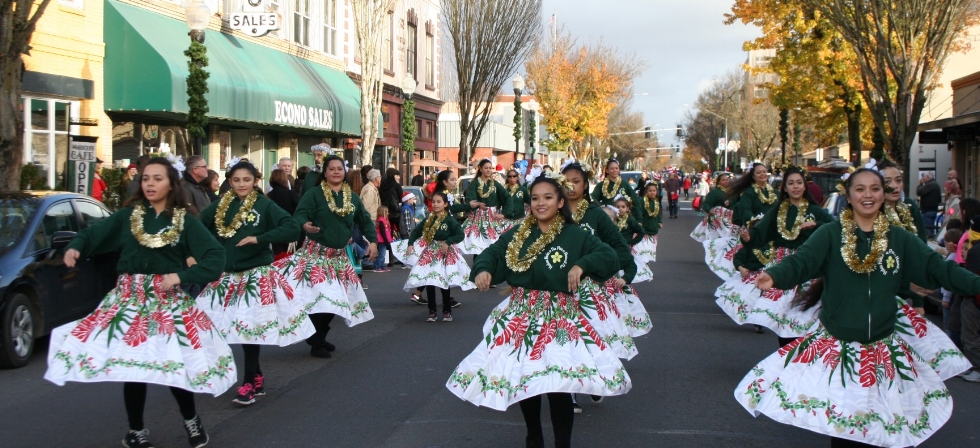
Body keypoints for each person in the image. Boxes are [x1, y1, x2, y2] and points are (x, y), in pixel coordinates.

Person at [742, 168, 978, 447]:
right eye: (860, 189)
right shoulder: (830, 234)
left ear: (883, 194)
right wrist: (775, 276)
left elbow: (939, 269)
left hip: (882, 350)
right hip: (841, 352)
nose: (868, 195)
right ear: (849, 196)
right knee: (847, 433)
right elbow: (802, 261)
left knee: (884, 431)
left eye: (875, 189)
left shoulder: (899, 239)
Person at [44, 157, 231, 448]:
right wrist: (76, 247)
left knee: (172, 365)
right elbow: (94, 234)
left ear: (171, 183)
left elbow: (215, 258)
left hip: (166, 301)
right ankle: (136, 431)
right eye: (146, 179)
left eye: (157, 178)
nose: (150, 184)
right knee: (134, 368)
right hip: (129, 300)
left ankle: (192, 422)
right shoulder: (128, 217)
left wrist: (182, 275)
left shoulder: (186, 222)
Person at [447, 174, 629, 448]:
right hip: (522, 315)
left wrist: (582, 265)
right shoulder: (518, 233)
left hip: (559, 318)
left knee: (558, 386)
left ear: (559, 203)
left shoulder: (575, 234)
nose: (540, 203)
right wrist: (483, 269)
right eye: (535, 198)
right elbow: (492, 253)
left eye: (547, 197)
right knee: (525, 380)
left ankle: (562, 444)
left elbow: (612, 256)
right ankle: (533, 433)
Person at [195, 161, 308, 406]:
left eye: (246, 180)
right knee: (208, 326)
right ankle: (255, 375)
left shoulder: (265, 205)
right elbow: (196, 228)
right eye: (236, 180)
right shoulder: (219, 207)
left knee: (248, 331)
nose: (241, 185)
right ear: (230, 182)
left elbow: (291, 228)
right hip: (225, 278)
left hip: (255, 277)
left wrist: (260, 238)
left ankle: (247, 382)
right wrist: (196, 252)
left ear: (255, 181)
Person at [717, 167, 834, 343]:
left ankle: (797, 356)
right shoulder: (777, 212)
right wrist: (750, 237)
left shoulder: (815, 211)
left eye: (799, 183)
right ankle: (785, 354)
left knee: (804, 317)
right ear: (785, 188)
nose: (795, 187)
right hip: (783, 269)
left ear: (804, 187)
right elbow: (760, 233)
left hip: (807, 270)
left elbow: (834, 228)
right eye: (791, 183)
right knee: (782, 317)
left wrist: (816, 224)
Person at [281, 154, 378, 358]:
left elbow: (365, 220)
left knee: (336, 301)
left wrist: (373, 242)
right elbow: (300, 214)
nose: (336, 172)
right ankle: (317, 341)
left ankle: (317, 336)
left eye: (339, 168)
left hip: (340, 258)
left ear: (345, 173)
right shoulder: (315, 194)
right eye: (331, 169)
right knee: (323, 300)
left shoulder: (351, 196)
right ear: (324, 173)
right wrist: (304, 224)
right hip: (316, 255)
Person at [402, 191, 474, 322]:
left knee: (443, 282)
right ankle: (432, 311)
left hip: (445, 253)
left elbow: (460, 234)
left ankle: (447, 310)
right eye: (433, 202)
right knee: (430, 281)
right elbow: (416, 231)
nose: (435, 204)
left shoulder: (449, 220)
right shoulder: (429, 219)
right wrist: (410, 243)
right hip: (431, 252)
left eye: (438, 202)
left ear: (445, 204)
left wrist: (448, 242)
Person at [703, 164, 774, 280]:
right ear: (753, 176)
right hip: (752, 228)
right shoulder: (748, 192)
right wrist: (754, 223)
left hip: (772, 231)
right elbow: (744, 209)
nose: (762, 174)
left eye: (764, 171)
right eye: (759, 172)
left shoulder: (775, 193)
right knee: (749, 254)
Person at [460, 159, 512, 254]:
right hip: (478, 217)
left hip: (492, 217)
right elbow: (469, 199)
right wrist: (478, 204)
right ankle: (478, 266)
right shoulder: (474, 183)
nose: (488, 170)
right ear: (480, 169)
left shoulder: (495, 184)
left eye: (490, 168)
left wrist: (504, 213)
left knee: (494, 244)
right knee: (478, 246)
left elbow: (507, 197)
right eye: (486, 168)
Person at [878, 159, 927, 242]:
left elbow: (922, 239)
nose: (894, 186)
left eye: (898, 180)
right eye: (887, 182)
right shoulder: (873, 209)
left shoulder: (909, 205)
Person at [614, 195, 654, 283]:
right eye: (617, 207)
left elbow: (641, 231)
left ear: (627, 208)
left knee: (625, 263)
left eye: (623, 207)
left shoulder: (630, 220)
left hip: (625, 247)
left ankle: (623, 280)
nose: (620, 209)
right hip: (613, 246)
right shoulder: (613, 219)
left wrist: (632, 242)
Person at [266, 168, 300, 258]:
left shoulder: (268, 196)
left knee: (278, 257)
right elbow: (299, 211)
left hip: (275, 231)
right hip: (290, 229)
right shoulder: (291, 194)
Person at [635, 181, 663, 268]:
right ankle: (643, 267)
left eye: (654, 191)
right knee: (644, 251)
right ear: (646, 192)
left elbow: (658, 213)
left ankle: (645, 265)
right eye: (650, 191)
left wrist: (659, 221)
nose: (652, 192)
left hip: (653, 230)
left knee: (650, 250)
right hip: (644, 231)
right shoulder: (642, 201)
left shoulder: (656, 202)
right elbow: (639, 213)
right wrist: (639, 222)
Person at [500, 168, 530, 232]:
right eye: (510, 176)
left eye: (514, 176)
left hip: (519, 218)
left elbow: (530, 202)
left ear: (517, 178)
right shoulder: (502, 190)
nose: (512, 178)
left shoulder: (523, 190)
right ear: (507, 178)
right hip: (506, 219)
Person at [917, 170, 941, 238]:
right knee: (931, 228)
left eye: (924, 177)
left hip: (928, 211)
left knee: (927, 230)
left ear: (928, 177)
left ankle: (928, 241)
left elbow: (919, 192)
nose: (923, 178)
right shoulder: (936, 185)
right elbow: (939, 199)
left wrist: (920, 184)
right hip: (933, 210)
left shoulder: (930, 185)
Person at [374, 207, 394, 272]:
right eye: (386, 212)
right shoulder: (381, 220)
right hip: (382, 239)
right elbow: (382, 232)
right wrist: (386, 240)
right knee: (382, 254)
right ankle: (377, 266)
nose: (388, 213)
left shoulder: (385, 219)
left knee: (383, 253)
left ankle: (382, 266)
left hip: (385, 239)